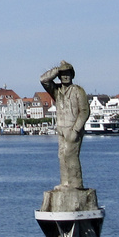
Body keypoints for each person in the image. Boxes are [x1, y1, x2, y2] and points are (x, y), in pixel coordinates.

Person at [41, 61, 88, 189]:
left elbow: (84, 111)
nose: (65, 76)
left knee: (71, 155)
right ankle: (65, 183)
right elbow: (43, 80)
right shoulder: (56, 91)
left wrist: (76, 129)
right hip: (61, 128)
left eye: (68, 74)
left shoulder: (78, 90)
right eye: (62, 74)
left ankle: (76, 183)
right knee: (62, 156)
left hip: (73, 128)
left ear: (72, 75)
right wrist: (58, 69)